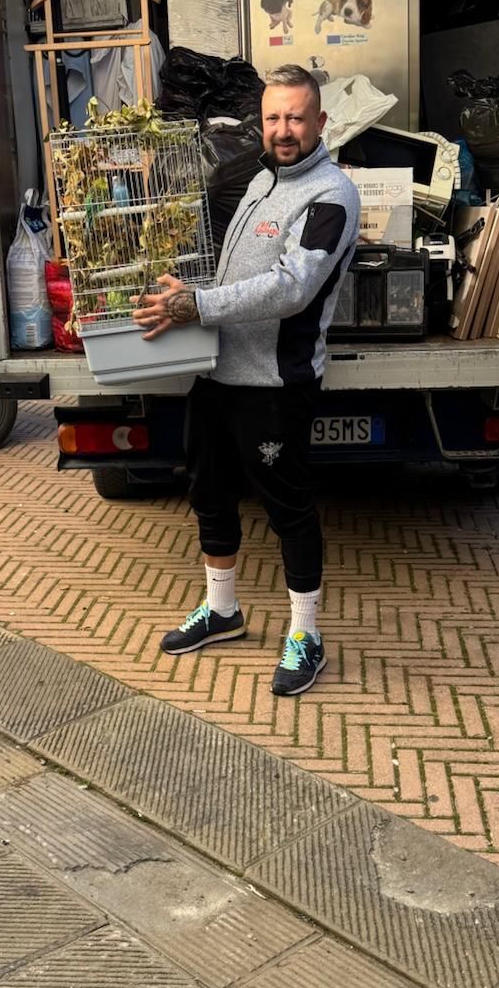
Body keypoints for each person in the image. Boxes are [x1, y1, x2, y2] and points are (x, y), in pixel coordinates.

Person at [132, 63, 360, 697]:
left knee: (288, 509)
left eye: (294, 117)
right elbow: (234, 280)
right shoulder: (260, 180)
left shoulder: (331, 195)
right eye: (272, 117)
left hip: (275, 385)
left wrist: (199, 307)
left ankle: (306, 635)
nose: (282, 130)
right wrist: (192, 294)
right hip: (219, 374)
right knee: (208, 493)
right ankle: (223, 610)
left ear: (320, 122)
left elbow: (292, 288)